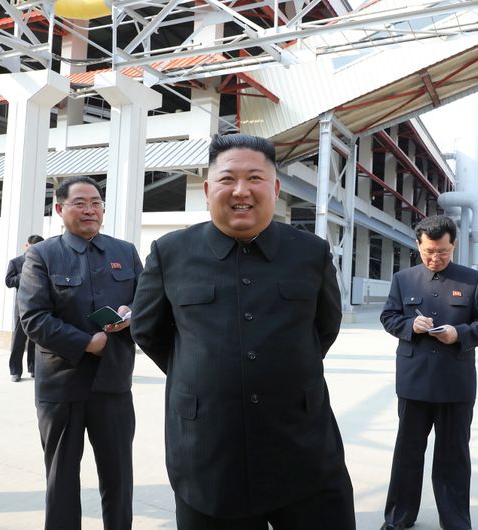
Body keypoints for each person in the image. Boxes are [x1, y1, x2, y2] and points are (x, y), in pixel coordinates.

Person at [130, 133, 355, 530]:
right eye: (227, 179)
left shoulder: (311, 253)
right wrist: (202, 374)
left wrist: (279, 369)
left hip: (302, 447)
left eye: (255, 178)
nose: (241, 191)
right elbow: (149, 331)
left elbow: (324, 328)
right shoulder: (171, 253)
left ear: (275, 188)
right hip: (208, 454)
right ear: (207, 189)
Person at [17, 176, 142, 530]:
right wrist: (87, 342)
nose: (90, 210)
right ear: (60, 209)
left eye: (96, 202)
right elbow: (34, 318)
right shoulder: (42, 255)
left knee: (118, 477)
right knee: (62, 478)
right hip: (62, 385)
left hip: (113, 383)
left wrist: (131, 315)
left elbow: (147, 302)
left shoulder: (124, 252)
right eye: (80, 203)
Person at [378, 215, 478, 530]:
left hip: (455, 383)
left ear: (453, 245)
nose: (435, 258)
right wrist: (410, 325)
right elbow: (389, 316)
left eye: (443, 252)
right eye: (429, 251)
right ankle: (398, 518)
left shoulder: (472, 280)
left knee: (453, 456)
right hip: (414, 380)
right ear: (418, 245)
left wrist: (458, 334)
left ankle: (456, 520)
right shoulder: (404, 279)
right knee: (407, 453)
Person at [5, 234, 44, 382]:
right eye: (32, 248)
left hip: (39, 306)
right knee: (19, 340)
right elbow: (9, 281)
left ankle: (33, 368)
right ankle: (15, 371)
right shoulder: (15, 262)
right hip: (22, 307)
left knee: (35, 339)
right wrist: (24, 274)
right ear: (26, 246)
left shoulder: (43, 262)